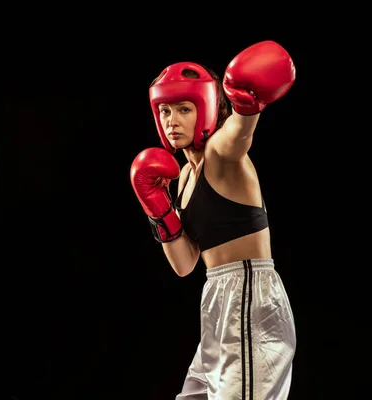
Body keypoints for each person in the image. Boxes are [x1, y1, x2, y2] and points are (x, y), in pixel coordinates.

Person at [130, 40, 297, 400]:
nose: (171, 120)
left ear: (206, 108)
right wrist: (156, 208)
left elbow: (240, 133)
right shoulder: (182, 179)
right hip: (216, 300)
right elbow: (185, 265)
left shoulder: (221, 153)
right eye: (164, 111)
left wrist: (248, 104)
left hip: (250, 297)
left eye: (183, 109)